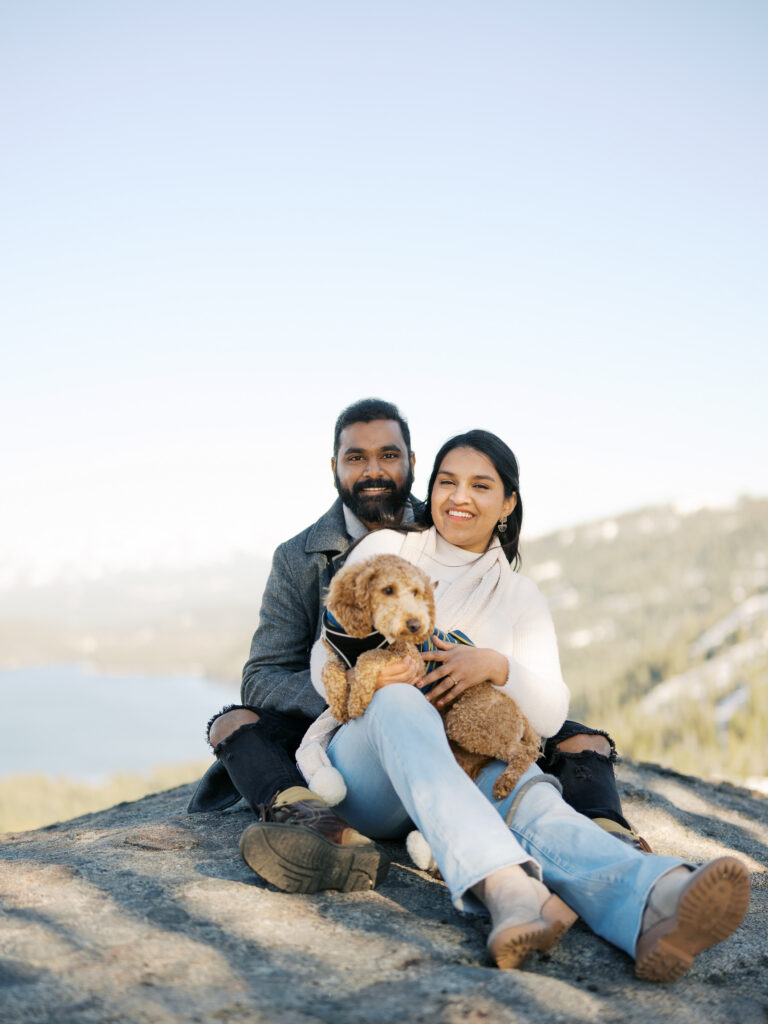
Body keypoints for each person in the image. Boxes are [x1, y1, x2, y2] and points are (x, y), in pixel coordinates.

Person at [241, 429, 750, 979]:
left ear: (508, 502)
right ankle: (506, 886)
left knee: (526, 792)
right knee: (401, 704)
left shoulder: (519, 597)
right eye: (446, 482)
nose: (460, 497)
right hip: (371, 774)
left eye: (480, 485)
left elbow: (551, 714)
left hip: (460, 770)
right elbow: (326, 652)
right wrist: (385, 673)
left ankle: (654, 899)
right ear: (429, 490)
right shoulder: (387, 550)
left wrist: (495, 667)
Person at [190, 398, 646, 890]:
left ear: (412, 463)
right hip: (336, 713)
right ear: (335, 467)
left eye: (388, 455)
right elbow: (264, 675)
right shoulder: (297, 558)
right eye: (355, 458)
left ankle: (607, 829)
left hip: (451, 700)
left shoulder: (445, 524)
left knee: (580, 738)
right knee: (233, 721)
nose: (373, 470)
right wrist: (357, 694)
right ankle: (302, 815)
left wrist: (489, 670)